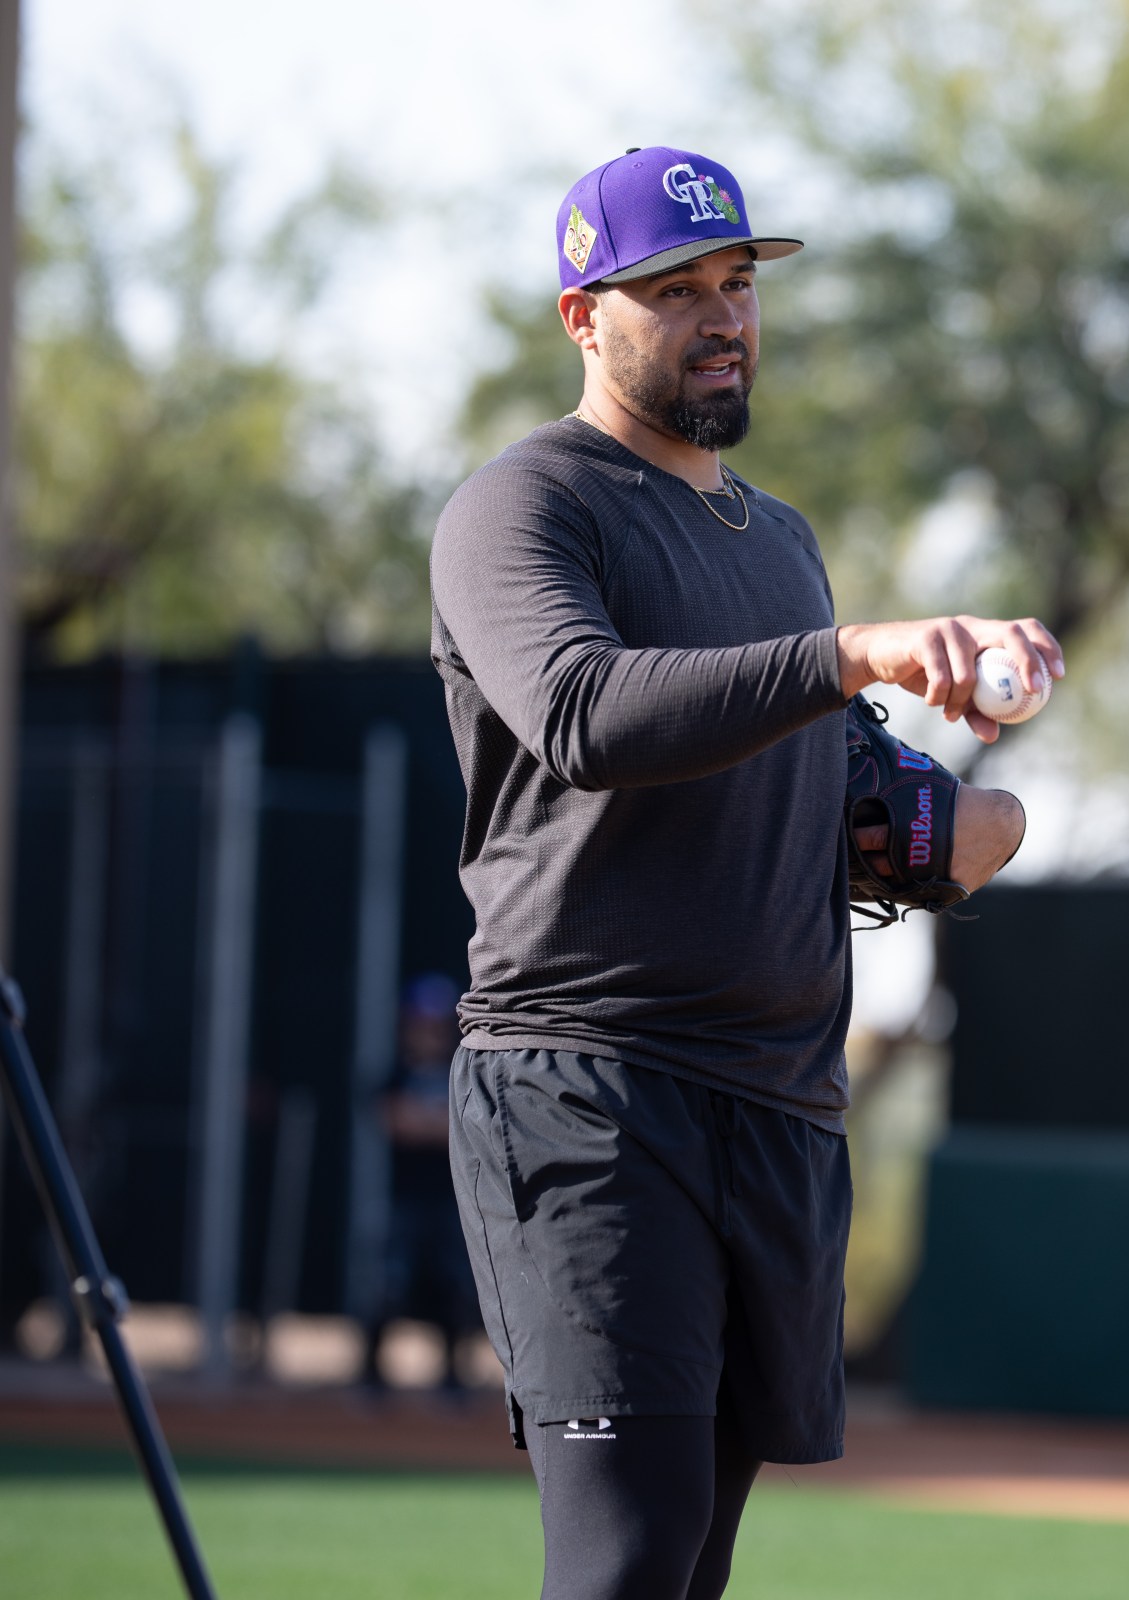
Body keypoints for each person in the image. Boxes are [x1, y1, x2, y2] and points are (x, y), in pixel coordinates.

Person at [430, 145, 1059, 1600]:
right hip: (589, 1086)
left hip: (775, 1102)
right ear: (585, 315)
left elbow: (850, 807)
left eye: (739, 284)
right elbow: (588, 715)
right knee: (626, 1560)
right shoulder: (527, 507)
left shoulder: (779, 544)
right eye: (676, 290)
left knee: (692, 1568)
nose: (724, 317)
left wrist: (979, 810)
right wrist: (853, 656)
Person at [361, 973, 479, 1394]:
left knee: (455, 1286)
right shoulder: (395, 1072)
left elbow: (467, 1126)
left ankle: (452, 1379)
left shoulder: (461, 1070)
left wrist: (430, 1122)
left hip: (453, 1201)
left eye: (434, 1024)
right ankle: (371, 1378)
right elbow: (396, 1122)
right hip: (404, 1201)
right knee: (389, 1286)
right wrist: (438, 1123)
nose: (426, 1032)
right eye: (419, 1023)